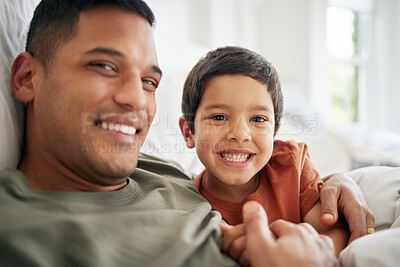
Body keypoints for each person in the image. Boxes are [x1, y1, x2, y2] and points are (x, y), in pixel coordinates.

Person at [0, 0, 373, 266]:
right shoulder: (19, 230)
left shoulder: (162, 171)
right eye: (104, 65)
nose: (137, 99)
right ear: (27, 77)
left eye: (149, 81)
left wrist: (341, 183)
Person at [179, 46, 348, 259]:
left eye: (258, 119)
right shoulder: (187, 204)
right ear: (188, 133)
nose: (240, 135)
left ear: (274, 132)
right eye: (219, 117)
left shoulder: (292, 165)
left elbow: (334, 232)